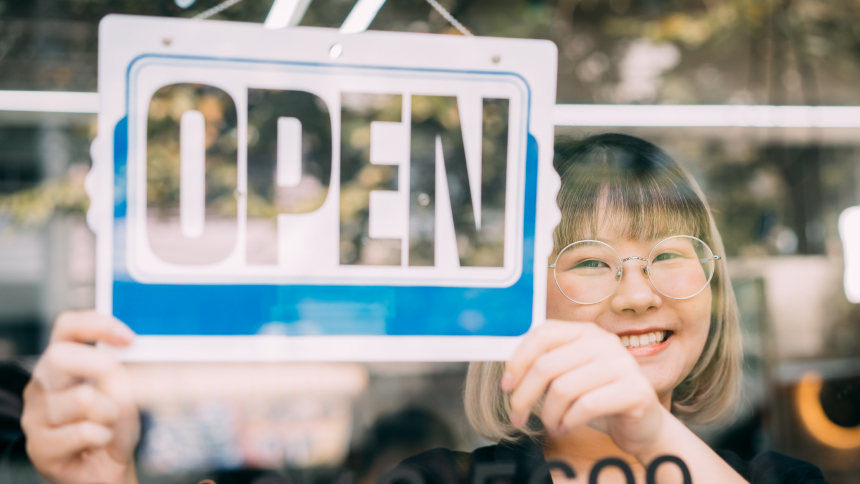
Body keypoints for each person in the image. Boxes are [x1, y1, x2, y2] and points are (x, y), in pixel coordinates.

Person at [20, 134, 827, 484]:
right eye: (589, 262)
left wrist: (648, 434)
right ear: (519, 296)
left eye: (670, 258)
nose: (640, 292)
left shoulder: (779, 479)